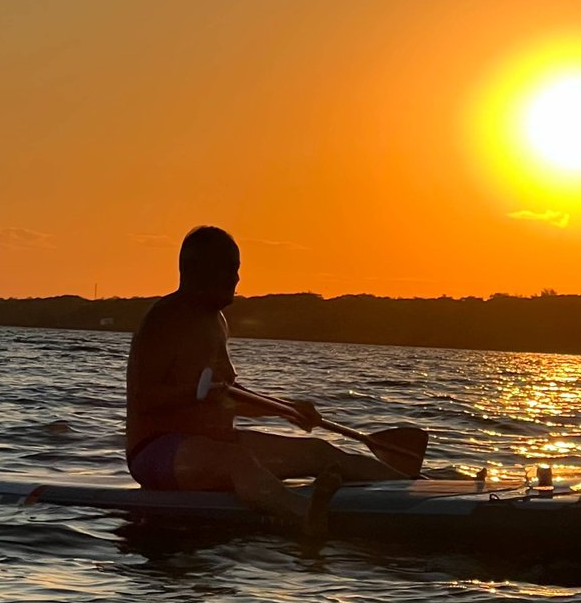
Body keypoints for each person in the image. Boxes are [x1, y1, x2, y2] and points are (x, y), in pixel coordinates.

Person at [126, 226, 396, 536]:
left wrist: (287, 409)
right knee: (237, 461)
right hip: (157, 453)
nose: (236, 278)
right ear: (197, 269)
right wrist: (196, 394)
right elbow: (143, 399)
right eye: (229, 268)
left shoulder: (217, 321)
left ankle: (422, 487)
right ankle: (305, 515)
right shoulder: (163, 319)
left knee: (319, 452)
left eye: (237, 268)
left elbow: (227, 396)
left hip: (216, 443)